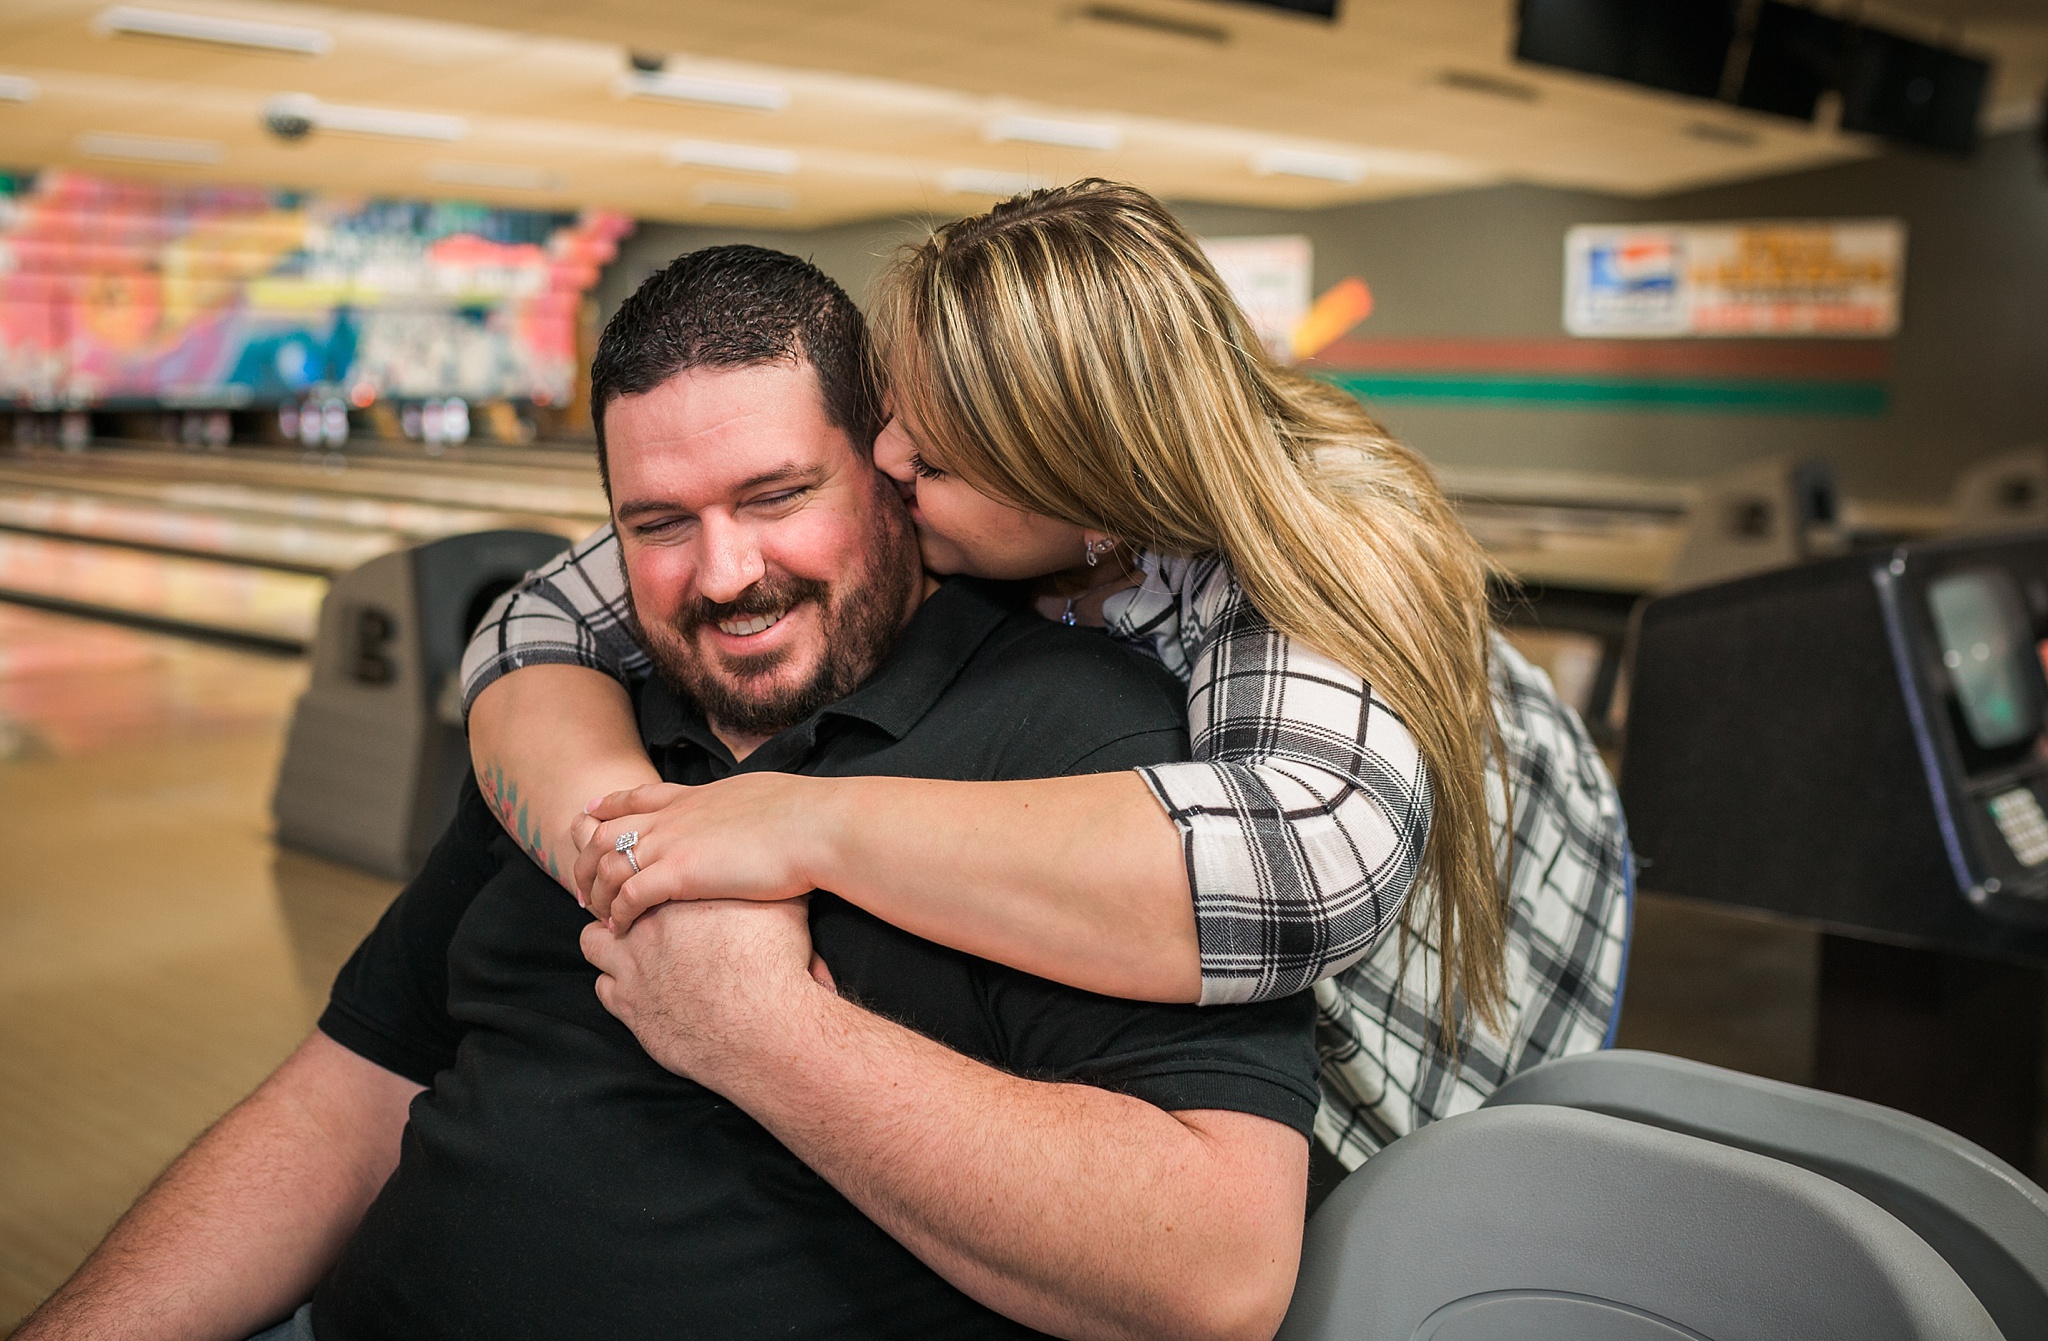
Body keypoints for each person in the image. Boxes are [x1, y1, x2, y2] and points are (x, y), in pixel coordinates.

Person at [19, 247, 1320, 1341]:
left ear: (893, 472)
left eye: (778, 495)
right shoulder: (581, 719)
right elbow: (351, 1089)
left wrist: (766, 1032)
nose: (724, 573)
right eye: (657, 522)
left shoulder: (1082, 740)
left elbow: (1213, 1269)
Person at [466, 181, 1631, 1165]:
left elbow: (1304, 870)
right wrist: (630, 849)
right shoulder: (945, 501)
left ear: (1077, 485)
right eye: (890, 417)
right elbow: (532, 628)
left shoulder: (1298, 554)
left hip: (1503, 920)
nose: (884, 461)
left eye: (931, 457)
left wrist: (800, 823)